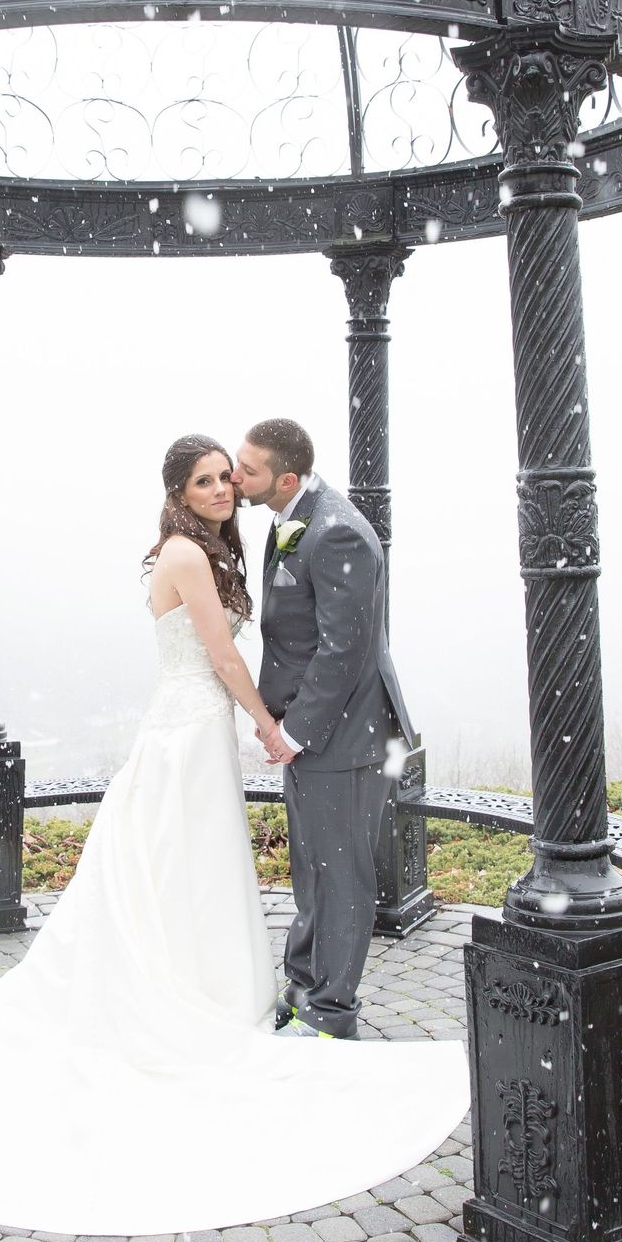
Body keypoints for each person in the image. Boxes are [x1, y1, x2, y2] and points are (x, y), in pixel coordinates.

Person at [0, 435, 467, 1237]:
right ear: (177, 491)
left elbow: (326, 641)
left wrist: (279, 725)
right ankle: (216, 996)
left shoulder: (251, 540)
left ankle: (284, 994)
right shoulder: (186, 553)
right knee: (184, 864)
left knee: (216, 869)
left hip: (219, 731)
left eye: (228, 476)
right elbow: (224, 659)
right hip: (189, 730)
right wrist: (271, 725)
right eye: (205, 479)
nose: (222, 487)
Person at [233, 419, 407, 1041]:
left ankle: (331, 1014)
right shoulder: (291, 517)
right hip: (317, 734)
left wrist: (295, 731)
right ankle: (303, 985)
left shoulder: (336, 533)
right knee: (312, 869)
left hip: (346, 737)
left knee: (341, 878)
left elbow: (344, 650)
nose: (235, 476)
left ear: (285, 479)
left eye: (248, 469)